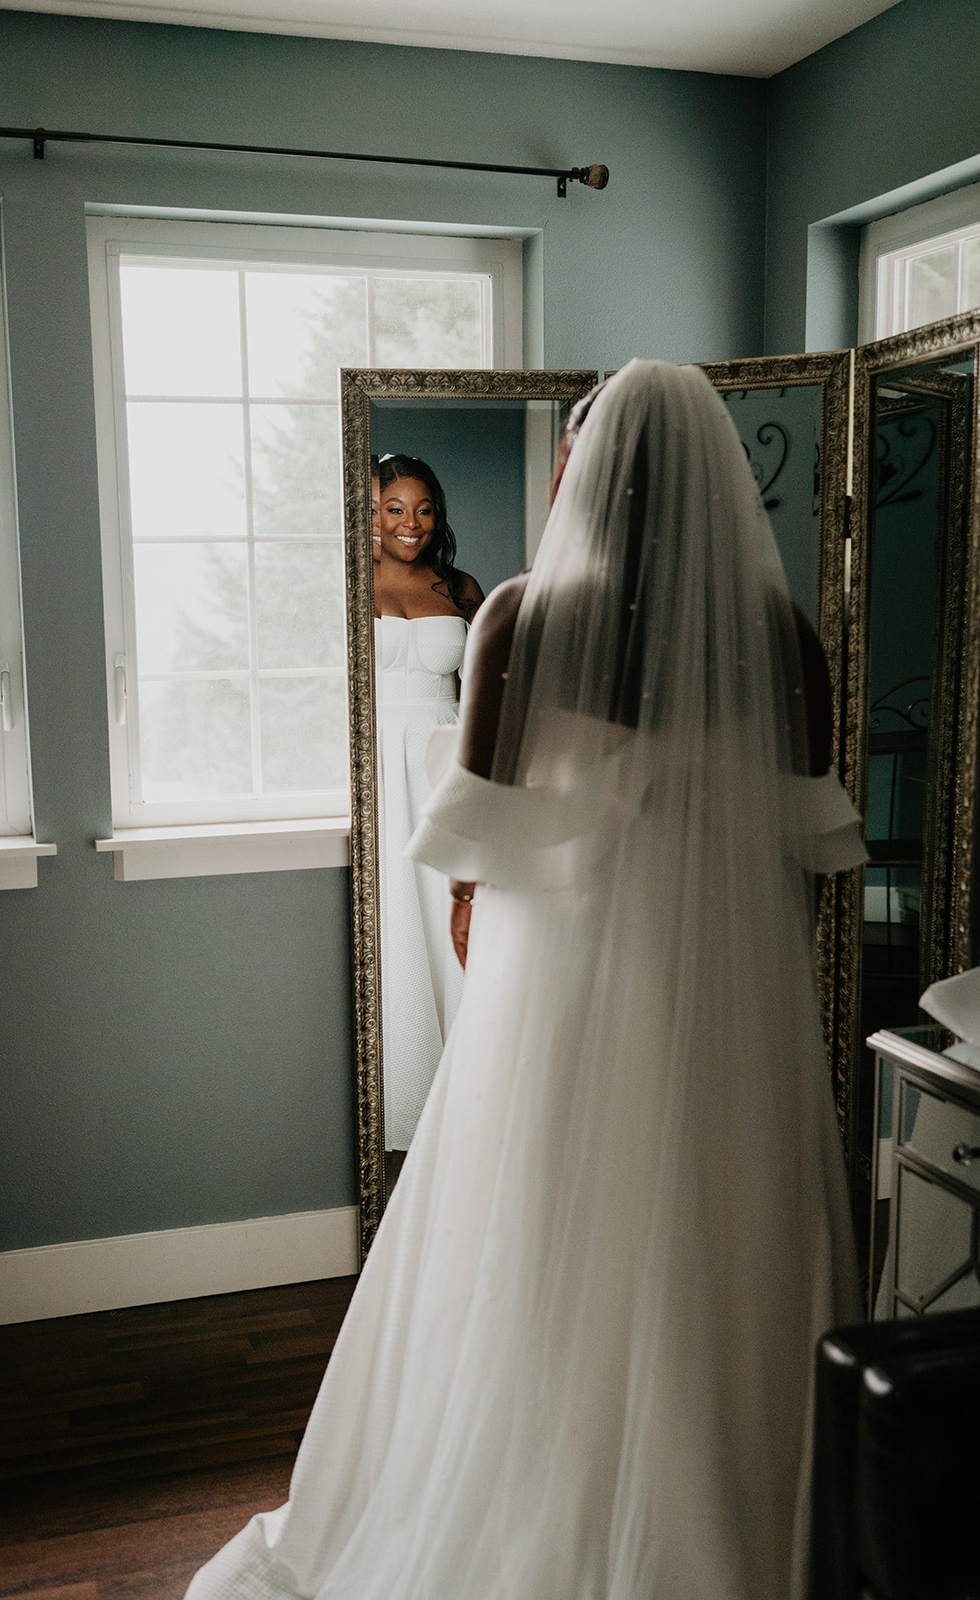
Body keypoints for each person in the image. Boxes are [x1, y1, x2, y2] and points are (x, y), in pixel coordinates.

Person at [186, 361, 865, 1600]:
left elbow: (471, 851)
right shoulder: (787, 642)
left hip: (563, 988)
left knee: (538, 1233)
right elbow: (807, 861)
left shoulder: (520, 616)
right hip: (730, 1009)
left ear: (583, 472)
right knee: (718, 1233)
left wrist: (490, 925)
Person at [372, 454, 484, 1155]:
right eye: (393, 508)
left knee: (455, 917)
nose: (411, 524)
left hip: (445, 762)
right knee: (397, 922)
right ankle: (405, 1108)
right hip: (379, 766)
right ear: (368, 513)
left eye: (423, 509)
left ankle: (470, 1102)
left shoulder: (459, 586)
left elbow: (497, 683)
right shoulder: (347, 583)